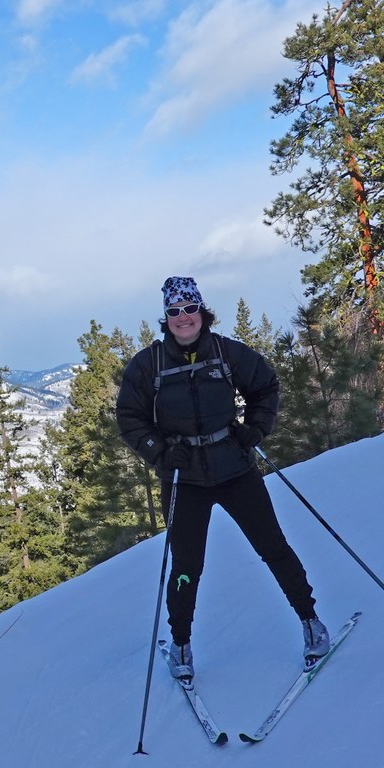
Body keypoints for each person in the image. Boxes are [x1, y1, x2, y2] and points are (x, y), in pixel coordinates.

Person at [115, 276, 326, 683]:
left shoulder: (226, 353)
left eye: (189, 309)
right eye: (174, 311)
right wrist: (158, 450)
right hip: (183, 477)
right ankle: (180, 644)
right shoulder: (149, 364)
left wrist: (255, 429)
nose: (183, 318)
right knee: (187, 566)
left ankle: (311, 620)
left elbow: (265, 386)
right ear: (166, 317)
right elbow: (129, 417)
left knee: (274, 548)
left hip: (235, 468)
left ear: (201, 311)